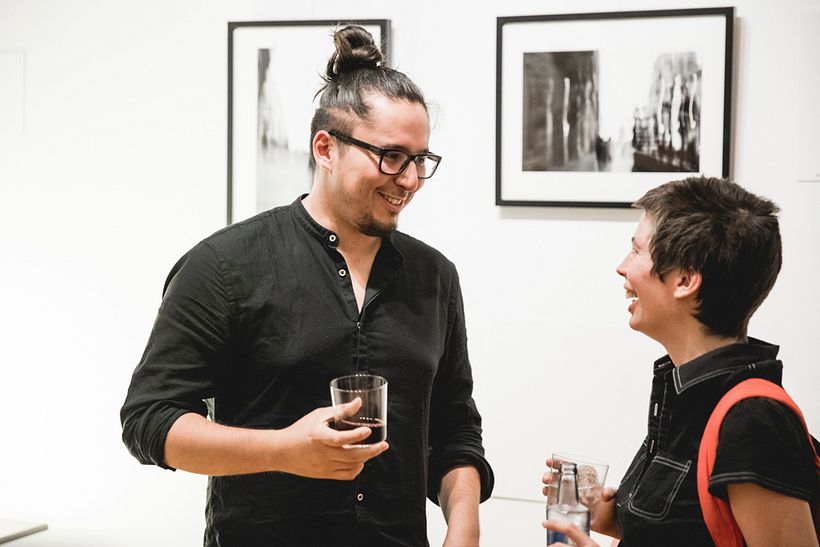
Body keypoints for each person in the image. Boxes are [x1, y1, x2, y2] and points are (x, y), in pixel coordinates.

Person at [121, 25, 493, 547]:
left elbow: (455, 431)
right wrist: (282, 449)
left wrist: (464, 526)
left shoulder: (435, 277)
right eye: (391, 157)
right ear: (325, 147)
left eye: (420, 160)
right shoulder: (225, 265)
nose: (408, 180)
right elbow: (150, 422)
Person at [543, 176, 818, 546]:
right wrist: (603, 513)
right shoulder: (686, 391)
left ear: (685, 280)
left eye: (637, 251)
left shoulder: (752, 421)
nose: (622, 268)